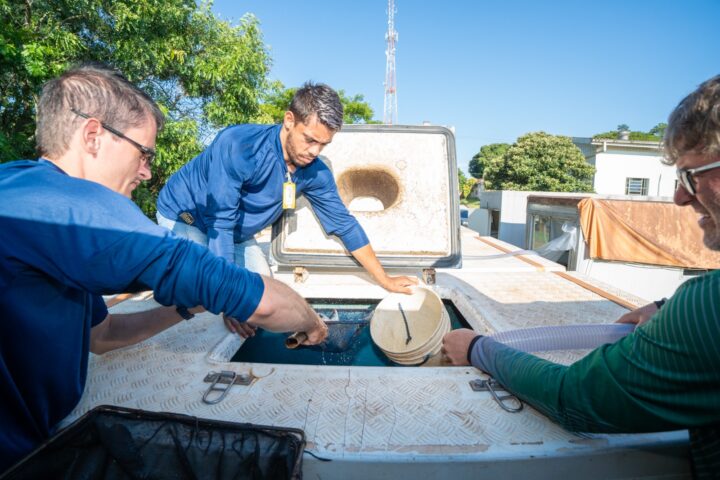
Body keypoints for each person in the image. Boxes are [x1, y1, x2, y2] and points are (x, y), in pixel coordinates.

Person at [0, 63, 328, 473]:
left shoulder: (16, 182)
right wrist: (312, 322)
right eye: (143, 153)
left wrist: (187, 306)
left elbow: (102, 335)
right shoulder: (79, 211)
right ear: (93, 136)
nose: (147, 171)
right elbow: (259, 302)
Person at [442, 74, 720, 479]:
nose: (679, 196)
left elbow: (575, 398)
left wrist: (476, 348)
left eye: (691, 175)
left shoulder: (706, 305)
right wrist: (665, 308)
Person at [156, 82, 418, 337]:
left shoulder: (315, 173)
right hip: (187, 218)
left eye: (323, 145)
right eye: (310, 140)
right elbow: (220, 223)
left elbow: (344, 224)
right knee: (198, 296)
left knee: (266, 300)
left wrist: (384, 279)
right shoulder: (238, 146)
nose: (314, 151)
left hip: (237, 233)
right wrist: (230, 299)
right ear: (289, 120)